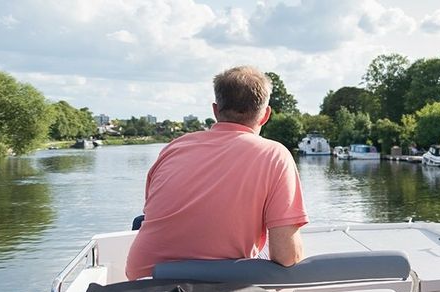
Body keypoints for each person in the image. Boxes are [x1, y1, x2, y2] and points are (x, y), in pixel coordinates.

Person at [125, 66, 308, 280]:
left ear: (215, 110)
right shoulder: (275, 155)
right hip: (218, 282)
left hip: (142, 278)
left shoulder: (174, 147)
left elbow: (152, 210)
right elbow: (287, 257)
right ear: (265, 115)